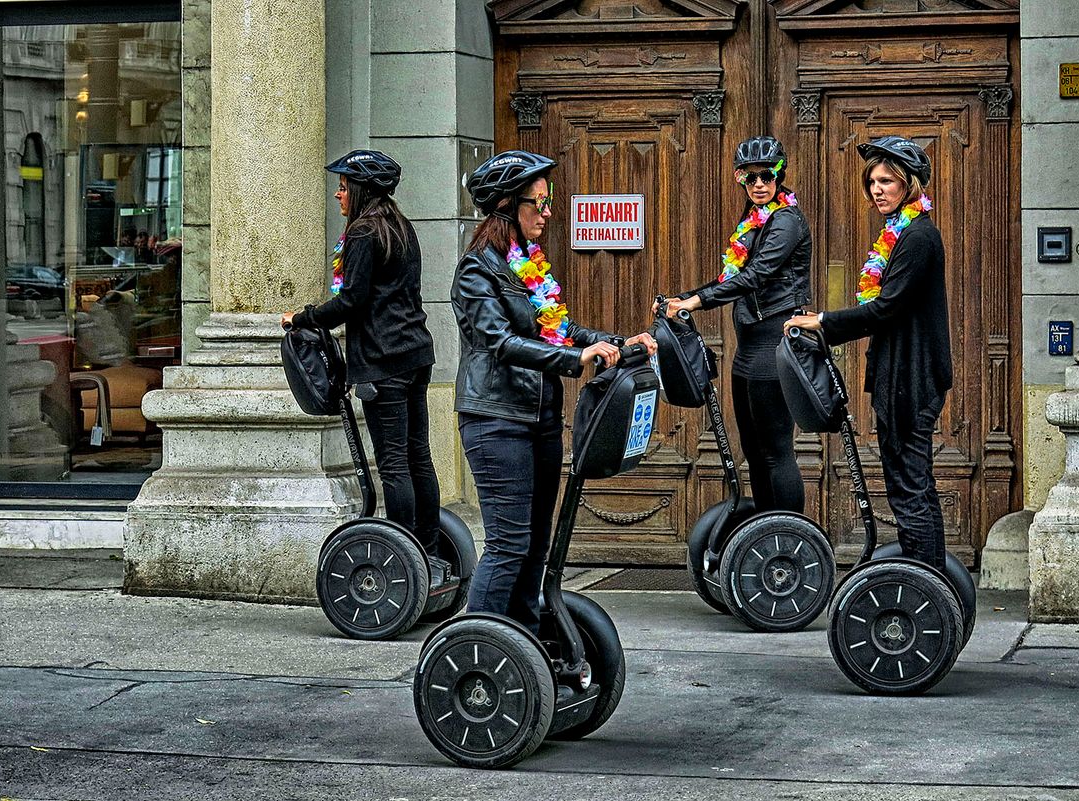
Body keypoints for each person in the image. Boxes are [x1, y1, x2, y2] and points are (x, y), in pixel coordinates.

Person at [454, 150, 657, 632]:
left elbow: (558, 329)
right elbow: (500, 343)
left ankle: (523, 640)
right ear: (505, 205)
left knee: (537, 542)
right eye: (538, 203)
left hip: (539, 418)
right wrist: (574, 360)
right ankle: (473, 646)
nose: (547, 214)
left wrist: (613, 342)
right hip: (496, 419)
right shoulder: (476, 271)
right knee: (508, 542)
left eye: (549, 203)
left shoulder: (528, 265)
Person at [785, 135, 952, 569]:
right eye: (872, 183)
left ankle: (929, 582)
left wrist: (821, 322)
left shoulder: (917, 238)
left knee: (910, 484)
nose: (876, 190)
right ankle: (929, 578)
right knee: (907, 481)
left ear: (909, 185)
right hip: (899, 376)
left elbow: (886, 307)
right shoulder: (901, 234)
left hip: (912, 380)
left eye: (886, 181)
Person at [282, 149, 445, 569]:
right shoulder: (401, 228)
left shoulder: (362, 234)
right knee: (417, 456)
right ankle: (425, 548)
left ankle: (405, 558)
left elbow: (351, 300)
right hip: (415, 353)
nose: (337, 195)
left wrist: (301, 317)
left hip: (383, 360)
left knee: (393, 463)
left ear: (360, 189)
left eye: (341, 186)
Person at [658, 136, 812, 515]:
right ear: (741, 180)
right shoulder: (752, 221)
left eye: (767, 176)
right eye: (750, 177)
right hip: (748, 350)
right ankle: (763, 530)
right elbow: (731, 277)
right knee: (753, 450)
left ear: (779, 176)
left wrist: (697, 301)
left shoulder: (787, 221)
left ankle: (789, 533)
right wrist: (683, 298)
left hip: (774, 346)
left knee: (776, 449)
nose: (759, 184)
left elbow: (757, 275)